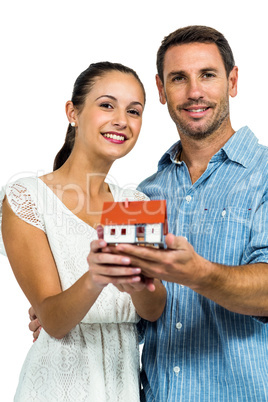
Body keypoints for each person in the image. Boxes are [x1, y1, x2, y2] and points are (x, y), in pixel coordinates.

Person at [87, 26, 268, 401]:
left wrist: (200, 274)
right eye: (178, 78)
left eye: (207, 75)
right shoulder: (144, 193)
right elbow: (136, 312)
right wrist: (67, 313)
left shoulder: (265, 174)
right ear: (161, 89)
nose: (194, 92)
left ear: (232, 81)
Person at [0, 61, 166, 401]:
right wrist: (97, 274)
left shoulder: (134, 202)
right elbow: (53, 320)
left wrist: (139, 284)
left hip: (122, 385)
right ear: (72, 112)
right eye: (107, 104)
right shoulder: (27, 197)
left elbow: (152, 309)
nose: (122, 119)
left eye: (134, 111)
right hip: (56, 384)